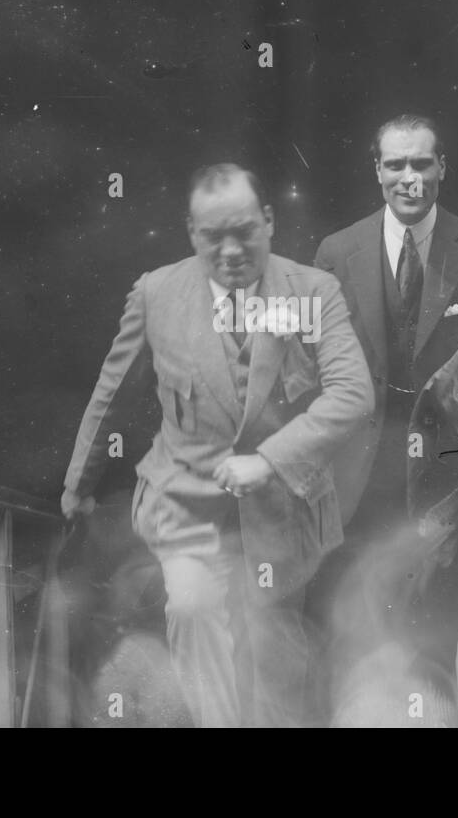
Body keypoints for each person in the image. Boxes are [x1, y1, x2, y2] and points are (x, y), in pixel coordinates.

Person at [62, 163, 373, 727]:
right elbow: (109, 392)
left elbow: (354, 392)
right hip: (184, 504)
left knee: (274, 654)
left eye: (244, 231)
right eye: (213, 236)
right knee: (194, 605)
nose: (230, 250)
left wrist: (270, 461)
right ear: (191, 233)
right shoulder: (156, 293)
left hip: (282, 513)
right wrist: (75, 487)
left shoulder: (312, 292)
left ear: (269, 222)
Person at [311, 113, 458, 721]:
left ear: (442, 167)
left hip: (440, 479)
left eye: (422, 163)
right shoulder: (335, 251)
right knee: (349, 626)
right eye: (395, 164)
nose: (410, 178)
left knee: (431, 636)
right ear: (376, 171)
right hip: (357, 477)